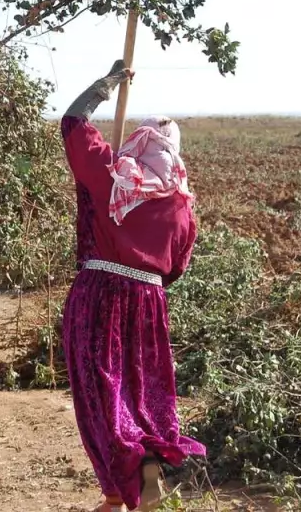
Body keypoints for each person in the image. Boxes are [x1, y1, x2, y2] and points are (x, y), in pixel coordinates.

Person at [60, 61, 206, 512]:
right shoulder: (182, 207)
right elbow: (175, 270)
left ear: (139, 142)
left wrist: (105, 86)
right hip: (148, 304)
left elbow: (72, 124)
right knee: (140, 394)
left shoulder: (112, 177)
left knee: (100, 390)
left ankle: (114, 487)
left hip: (99, 295)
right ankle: (138, 475)